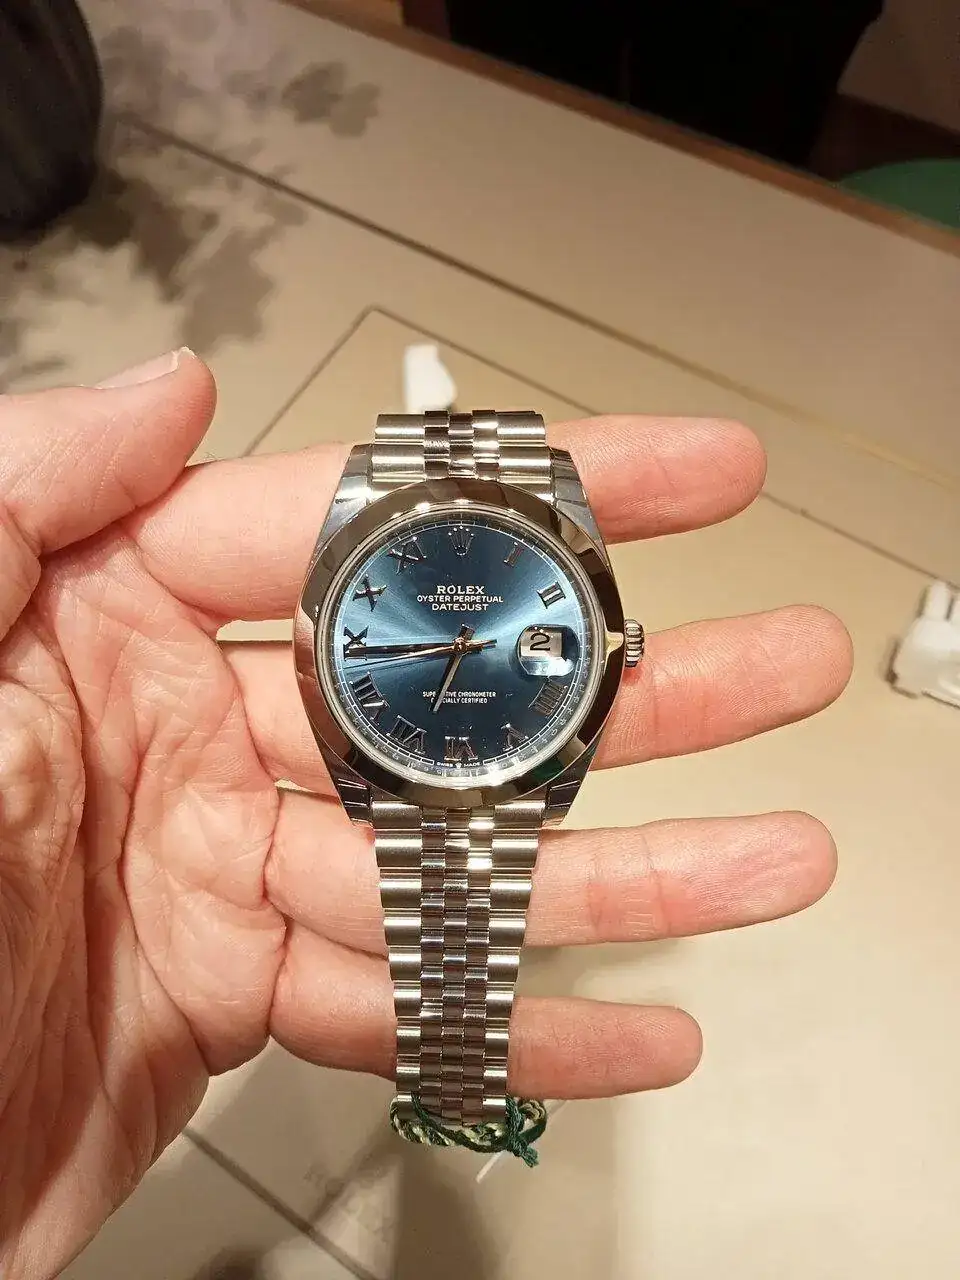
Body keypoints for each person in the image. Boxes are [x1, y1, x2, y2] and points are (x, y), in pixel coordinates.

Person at [0, 350, 852, 1275]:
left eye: (473, 634)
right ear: (318, 645)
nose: (459, 642)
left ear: (618, 646)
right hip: (432, 752)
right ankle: (454, 1079)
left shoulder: (402, 606)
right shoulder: (352, 623)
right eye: (443, 637)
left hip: (480, 749)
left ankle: (455, 1079)